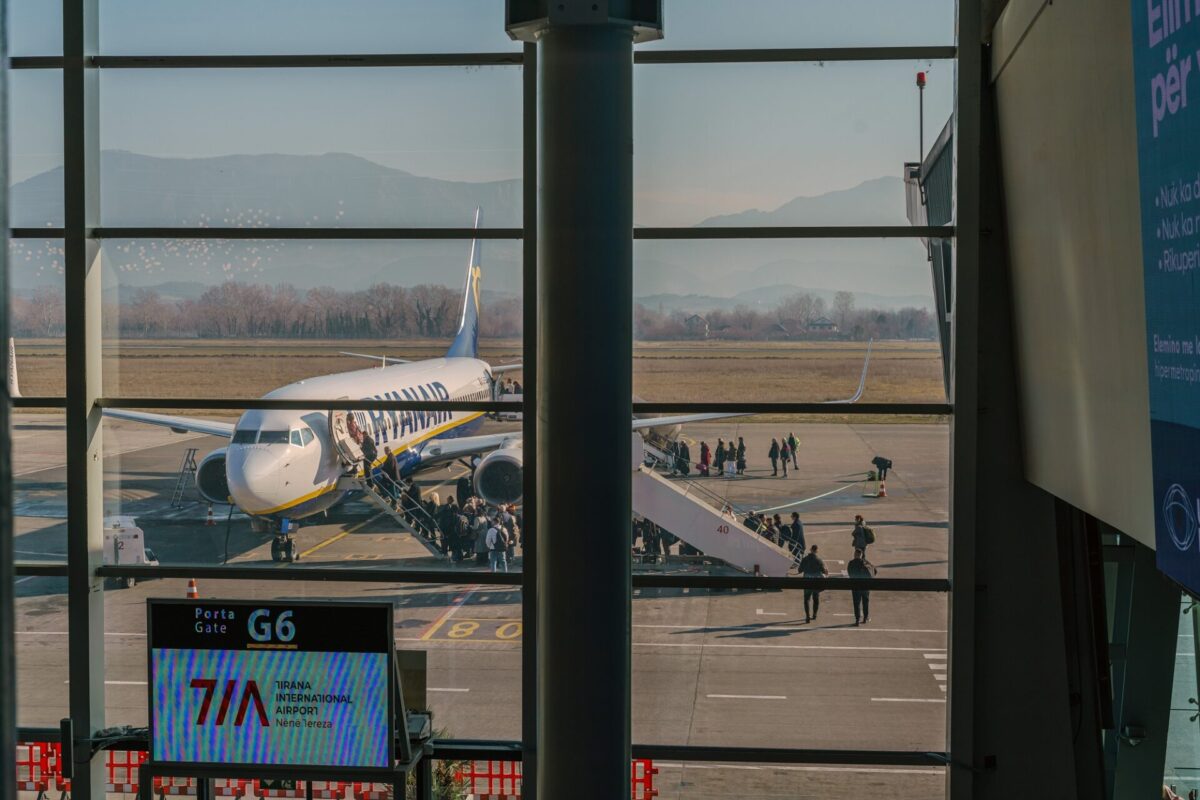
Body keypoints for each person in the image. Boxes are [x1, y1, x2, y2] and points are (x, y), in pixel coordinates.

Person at [799, 544, 828, 623]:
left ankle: (807, 616)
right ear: (816, 550)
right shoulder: (819, 560)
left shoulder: (805, 559)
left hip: (807, 581)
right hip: (816, 581)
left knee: (807, 599)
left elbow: (799, 570)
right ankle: (814, 615)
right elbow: (823, 571)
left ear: (810, 550)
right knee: (816, 598)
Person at [847, 548, 877, 625]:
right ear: (861, 555)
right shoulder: (866, 562)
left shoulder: (851, 563)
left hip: (856, 586)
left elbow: (850, 573)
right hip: (865, 586)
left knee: (856, 603)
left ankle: (857, 620)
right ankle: (865, 618)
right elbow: (875, 571)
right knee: (865, 602)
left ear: (855, 554)